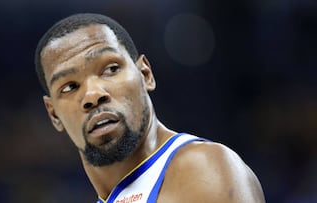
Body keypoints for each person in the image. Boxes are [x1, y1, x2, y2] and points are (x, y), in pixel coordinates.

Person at [34, 13, 265, 202]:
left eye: (111, 69)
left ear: (145, 75)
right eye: (70, 86)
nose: (93, 95)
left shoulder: (202, 169)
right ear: (54, 113)